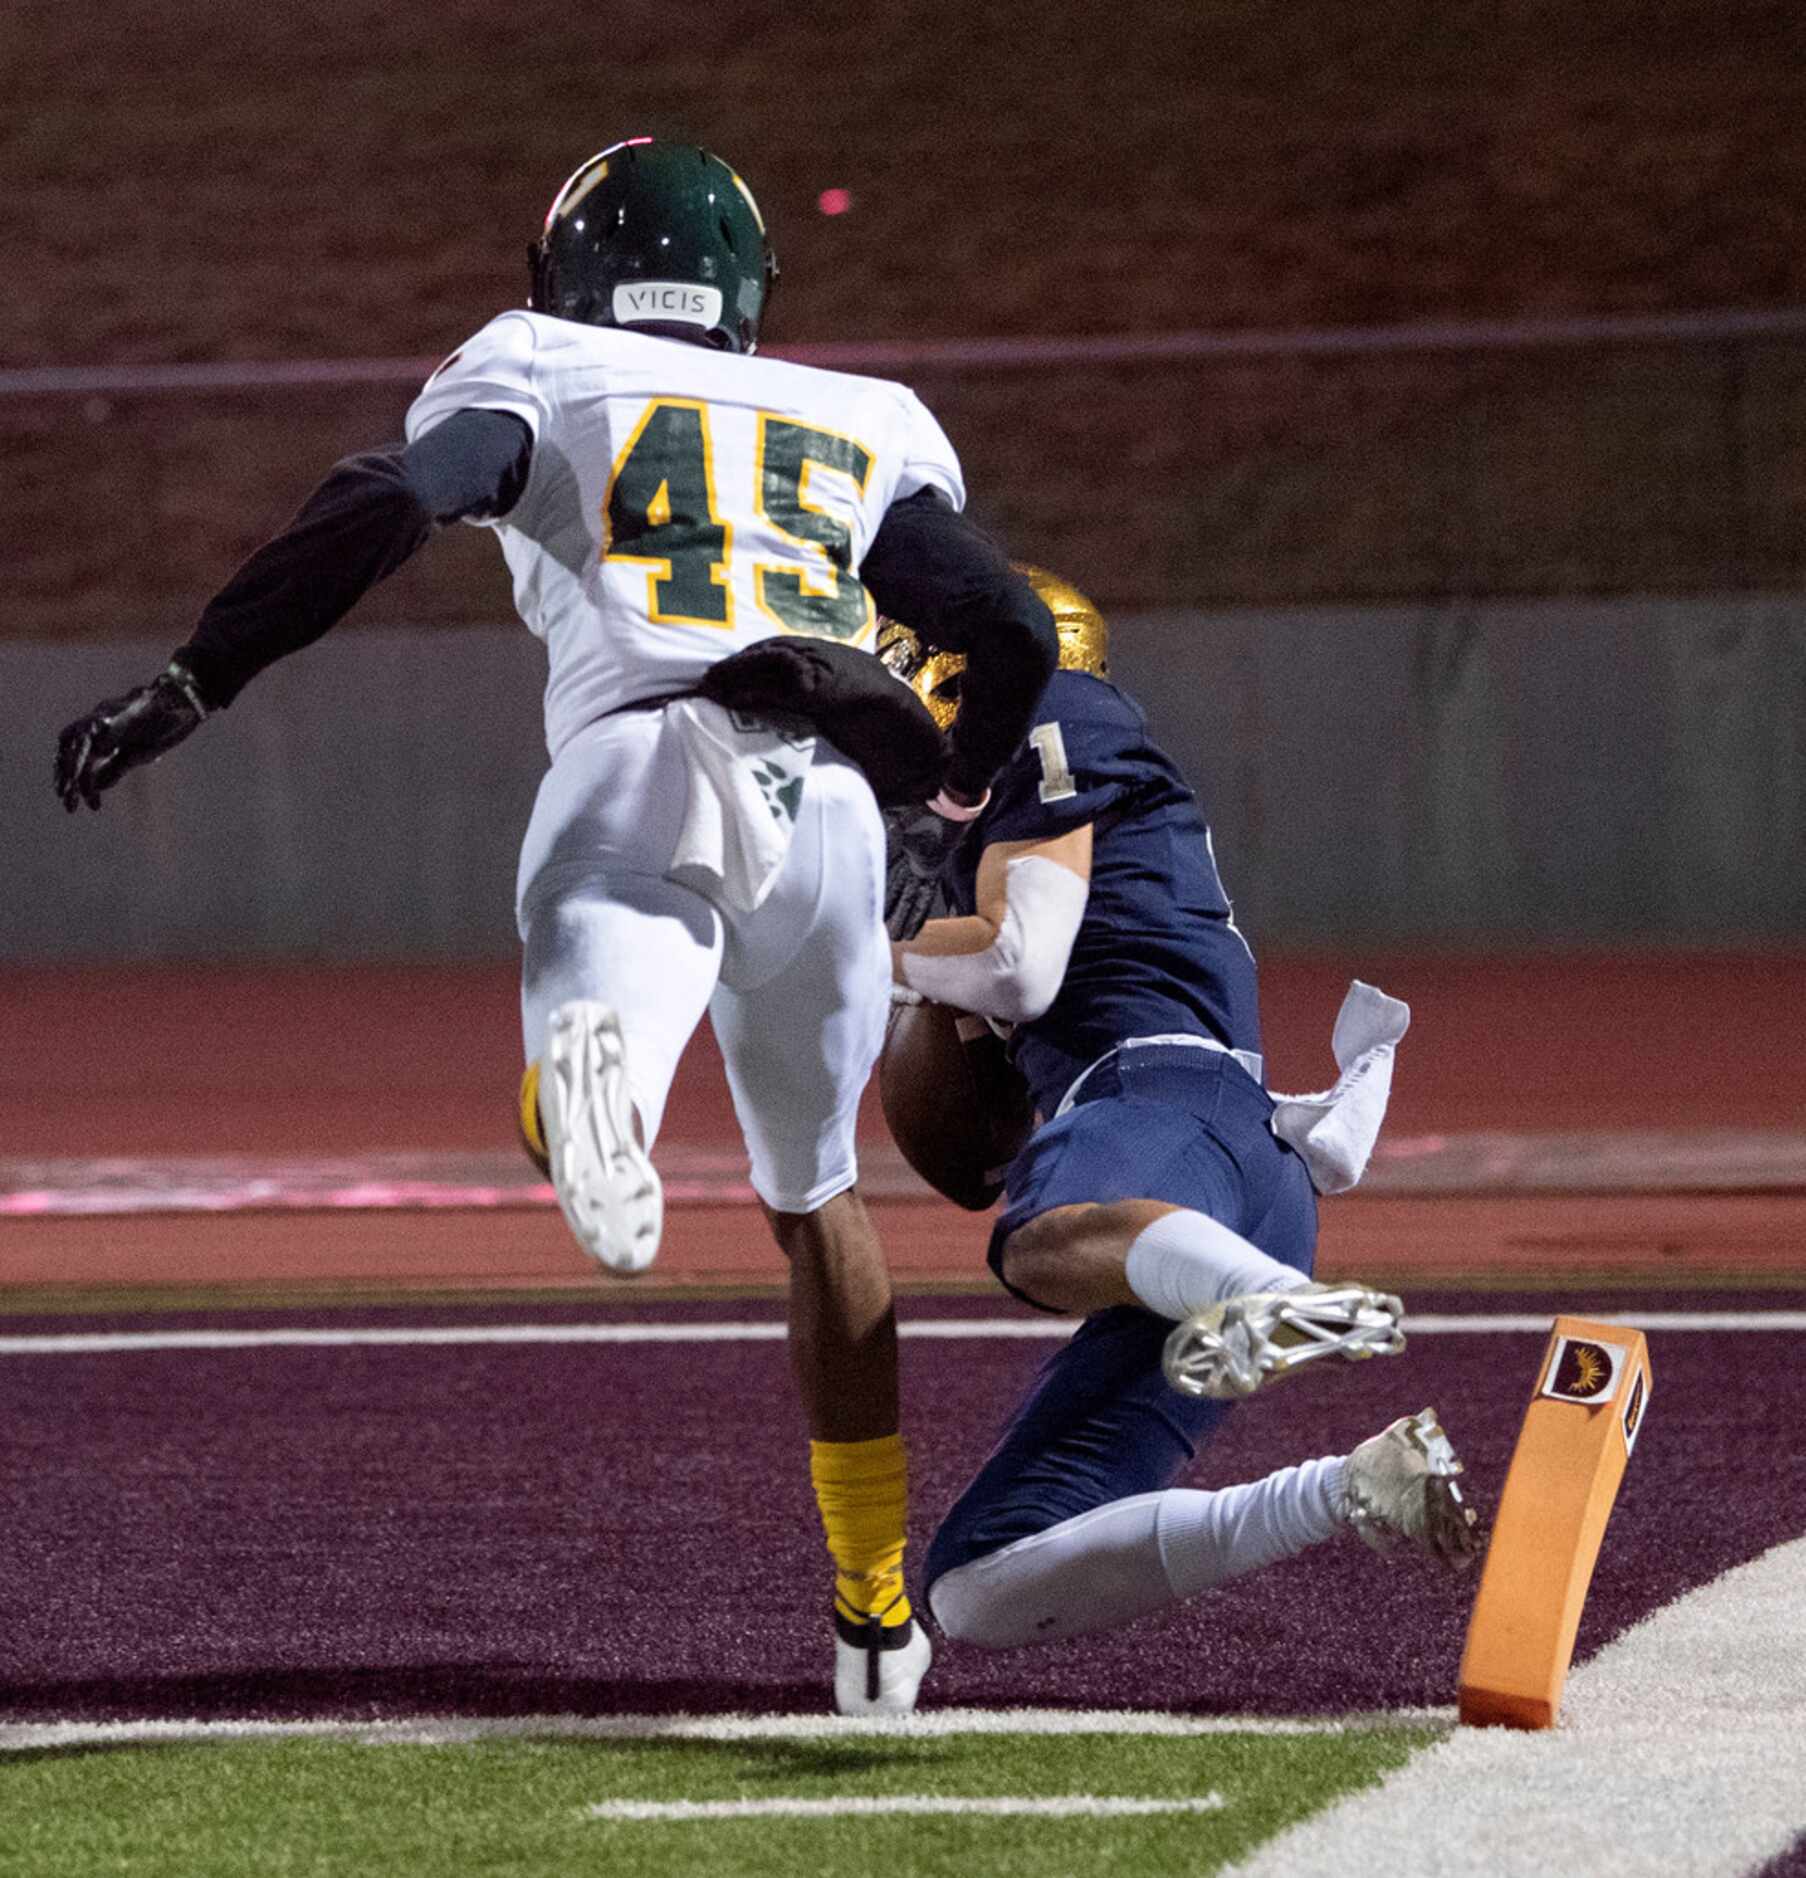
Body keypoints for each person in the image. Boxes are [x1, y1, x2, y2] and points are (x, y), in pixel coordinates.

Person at [53, 139, 1058, 1713]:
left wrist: (199, 675)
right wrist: (949, 805)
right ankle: (872, 1615)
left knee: (598, 1035)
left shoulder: (539, 362)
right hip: (832, 812)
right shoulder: (863, 416)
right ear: (740, 291)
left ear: (569, 275)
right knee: (817, 1196)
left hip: (639, 757)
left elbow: (387, 497)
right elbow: (1001, 622)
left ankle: (584, 1090)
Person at [878, 571, 1480, 1655]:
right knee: (979, 1583)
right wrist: (919, 976)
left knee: (1038, 1241)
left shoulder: (1056, 709)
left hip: (1165, 1100)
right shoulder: (1001, 826)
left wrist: (850, 955)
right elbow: (969, 1154)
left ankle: (1275, 1305)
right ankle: (1350, 1486)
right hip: (1214, 1169)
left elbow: (1018, 967)